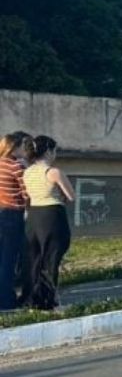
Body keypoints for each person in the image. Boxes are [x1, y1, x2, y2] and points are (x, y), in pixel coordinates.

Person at [22, 135, 74, 311]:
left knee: (34, 259)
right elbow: (71, 196)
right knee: (51, 259)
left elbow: (27, 195)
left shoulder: (27, 172)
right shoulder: (54, 172)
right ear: (48, 151)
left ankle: (32, 298)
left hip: (34, 216)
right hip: (52, 215)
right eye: (54, 150)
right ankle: (48, 301)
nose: (55, 154)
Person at [0, 132, 28, 310]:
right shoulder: (16, 166)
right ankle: (6, 299)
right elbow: (27, 193)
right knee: (9, 260)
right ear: (15, 147)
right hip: (12, 214)